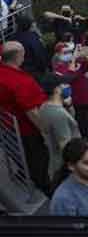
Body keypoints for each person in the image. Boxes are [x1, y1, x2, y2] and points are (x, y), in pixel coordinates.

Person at [0, 41, 50, 194]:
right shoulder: (20, 82)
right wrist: (46, 130)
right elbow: (32, 112)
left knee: (24, 156)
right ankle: (44, 185)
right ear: (18, 56)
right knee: (38, 158)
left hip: (8, 125)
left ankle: (25, 174)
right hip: (27, 130)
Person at [38, 72, 80, 189]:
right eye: (63, 84)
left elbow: (69, 121)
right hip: (66, 171)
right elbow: (65, 147)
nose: (66, 86)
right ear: (56, 89)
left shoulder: (44, 107)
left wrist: (69, 105)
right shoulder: (57, 114)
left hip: (56, 164)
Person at [52, 42, 88, 139]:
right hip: (74, 102)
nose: (68, 54)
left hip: (85, 99)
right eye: (65, 52)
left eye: (69, 52)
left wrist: (85, 54)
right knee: (80, 125)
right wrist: (74, 60)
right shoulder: (58, 70)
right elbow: (68, 77)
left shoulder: (76, 63)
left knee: (86, 123)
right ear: (58, 55)